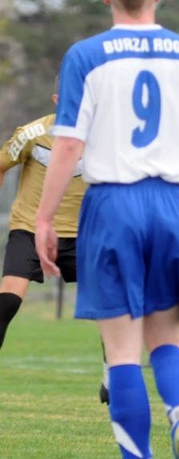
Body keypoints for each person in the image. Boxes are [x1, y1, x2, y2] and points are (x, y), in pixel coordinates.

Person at [34, 0, 179, 458]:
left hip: (112, 203)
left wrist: (44, 218)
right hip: (175, 204)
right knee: (167, 339)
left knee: (123, 352)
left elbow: (68, 145)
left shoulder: (85, 54)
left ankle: (139, 454)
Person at [0, 82, 86, 350]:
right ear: (56, 99)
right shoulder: (33, 133)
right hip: (30, 229)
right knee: (8, 301)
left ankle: (112, 378)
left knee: (114, 309)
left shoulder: (108, 139)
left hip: (85, 234)